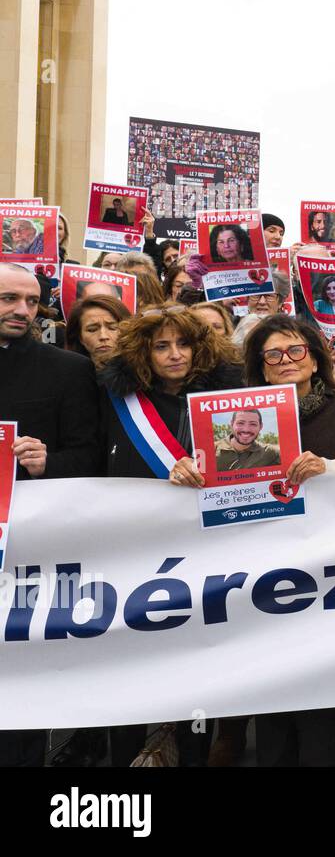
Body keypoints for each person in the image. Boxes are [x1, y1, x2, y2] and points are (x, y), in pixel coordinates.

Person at [93, 303, 243, 767]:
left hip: (203, 561)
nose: (175, 354)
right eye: (162, 346)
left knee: (196, 678)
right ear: (143, 351)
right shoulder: (116, 400)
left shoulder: (232, 399)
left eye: (184, 344)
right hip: (132, 559)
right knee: (129, 673)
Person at [239, 315, 335, 766]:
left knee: (319, 710)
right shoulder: (237, 415)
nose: (286, 360)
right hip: (262, 571)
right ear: (262, 368)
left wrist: (332, 469)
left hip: (328, 571)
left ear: (314, 358)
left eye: (296, 350)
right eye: (273, 355)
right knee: (271, 703)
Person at [0, 263, 101, 767]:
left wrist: (47, 464)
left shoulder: (68, 370)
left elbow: (89, 458)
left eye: (32, 301)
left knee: (19, 699)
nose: (22, 311)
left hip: (26, 561)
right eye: (8, 299)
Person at [65, 295, 131, 368]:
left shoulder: (142, 375)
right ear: (80, 337)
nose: (103, 336)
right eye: (92, 330)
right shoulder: (65, 374)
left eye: (112, 328)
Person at [215, 409, 282, 471]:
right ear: (232, 424)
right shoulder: (212, 450)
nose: (246, 429)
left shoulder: (271, 453)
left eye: (253, 424)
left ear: (261, 426)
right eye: (240, 423)